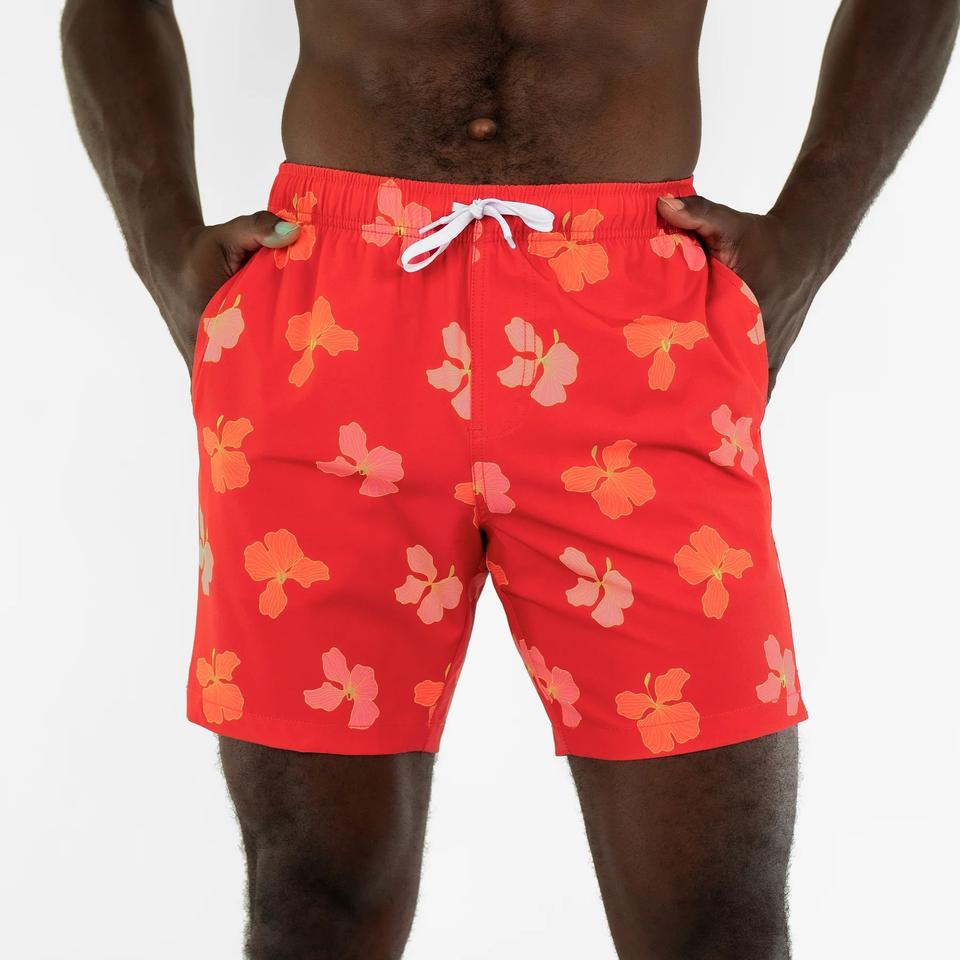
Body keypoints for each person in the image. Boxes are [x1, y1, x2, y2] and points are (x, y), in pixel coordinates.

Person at [61, 2, 959, 957]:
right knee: (313, 903)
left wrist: (809, 238)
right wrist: (161, 244)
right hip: (331, 327)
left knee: (717, 920)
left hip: (637, 338)